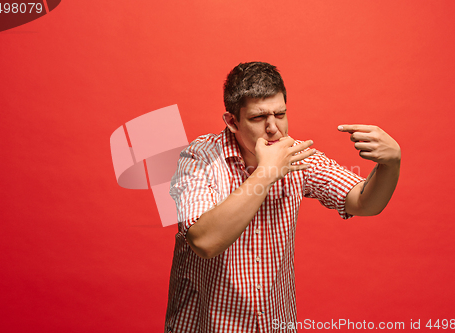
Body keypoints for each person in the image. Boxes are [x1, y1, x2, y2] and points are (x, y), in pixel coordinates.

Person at [164, 62, 401, 333]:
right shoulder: (199, 157)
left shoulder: (297, 155)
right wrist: (266, 173)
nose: (273, 128)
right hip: (209, 326)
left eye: (280, 114)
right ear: (232, 122)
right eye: (258, 118)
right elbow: (204, 241)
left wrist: (390, 165)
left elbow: (363, 202)